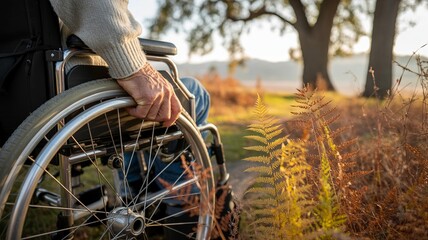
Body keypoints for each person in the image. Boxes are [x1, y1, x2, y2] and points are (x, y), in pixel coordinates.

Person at [48, 1, 211, 238]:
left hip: (44, 100)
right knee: (194, 92)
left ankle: (133, 187)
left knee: (130, 107)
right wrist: (135, 67)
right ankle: (178, 200)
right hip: (78, 93)